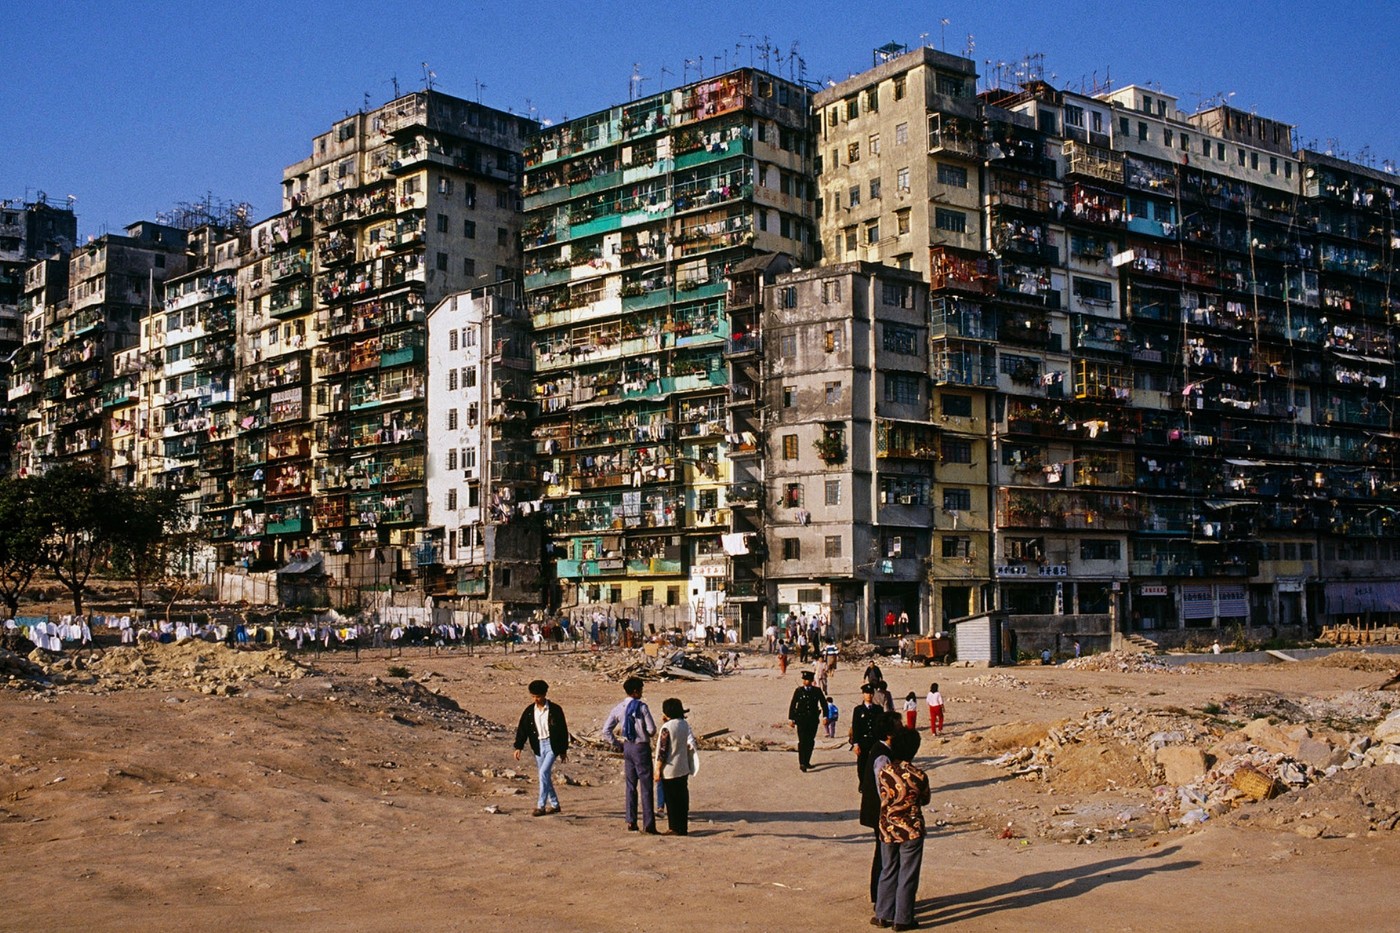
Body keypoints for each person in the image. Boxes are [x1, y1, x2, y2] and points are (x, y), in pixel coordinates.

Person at [873, 727, 930, 931]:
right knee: (907, 874)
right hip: (910, 828)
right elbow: (925, 799)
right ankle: (903, 919)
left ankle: (882, 914)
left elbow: (882, 796)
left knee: (888, 869)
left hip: (887, 826)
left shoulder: (884, 772)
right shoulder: (919, 775)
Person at [602, 676, 658, 833]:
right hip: (641, 746)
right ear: (635, 691)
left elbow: (606, 731)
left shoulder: (619, 708)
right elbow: (652, 729)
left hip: (627, 747)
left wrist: (617, 744)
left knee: (630, 786)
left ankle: (631, 821)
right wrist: (644, 732)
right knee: (646, 787)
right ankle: (649, 824)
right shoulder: (641, 707)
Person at [859, 712, 901, 907]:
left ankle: (881, 897)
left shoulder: (882, 750)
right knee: (885, 856)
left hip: (880, 813)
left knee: (884, 854)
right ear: (890, 733)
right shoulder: (882, 755)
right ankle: (880, 898)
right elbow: (882, 787)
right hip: (881, 813)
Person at [512, 679, 569, 816]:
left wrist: (563, 750)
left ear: (544, 695)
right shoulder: (529, 712)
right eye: (533, 696)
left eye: (538, 696)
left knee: (543, 773)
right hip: (538, 746)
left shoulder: (555, 710)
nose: (535, 699)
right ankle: (555, 805)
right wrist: (518, 747)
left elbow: (562, 730)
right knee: (545, 776)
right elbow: (523, 729)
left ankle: (541, 806)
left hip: (552, 745)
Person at [655, 697, 698, 835]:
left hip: (670, 769)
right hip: (683, 766)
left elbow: (663, 750)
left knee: (671, 800)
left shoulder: (667, 728)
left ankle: (673, 827)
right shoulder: (684, 724)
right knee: (682, 799)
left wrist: (657, 769)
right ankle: (682, 827)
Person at [788, 670, 825, 772]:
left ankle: (807, 761)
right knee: (802, 741)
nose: (806, 681)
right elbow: (793, 704)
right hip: (801, 720)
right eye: (804, 680)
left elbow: (823, 703)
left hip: (812, 720)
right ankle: (802, 763)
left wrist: (825, 717)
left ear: (812, 680)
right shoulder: (799, 691)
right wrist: (791, 718)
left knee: (810, 741)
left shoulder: (816, 691)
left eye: (808, 680)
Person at [849, 684, 883, 791]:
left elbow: (881, 726)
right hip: (863, 740)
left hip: (874, 740)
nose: (869, 695)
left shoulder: (878, 709)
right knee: (862, 763)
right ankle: (862, 783)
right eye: (866, 693)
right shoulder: (858, 710)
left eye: (870, 693)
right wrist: (855, 744)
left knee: (875, 762)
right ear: (863, 694)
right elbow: (856, 727)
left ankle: (873, 783)